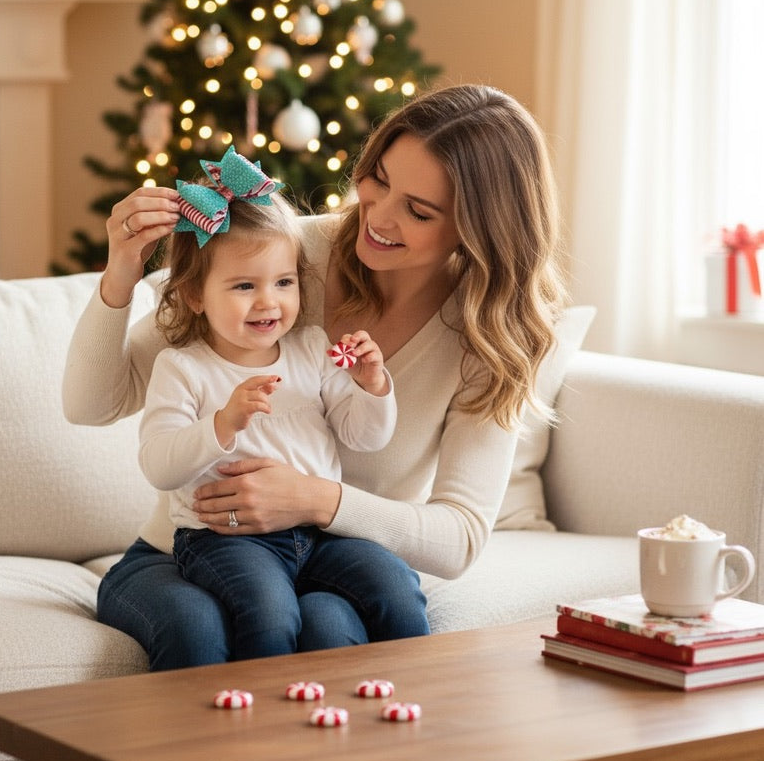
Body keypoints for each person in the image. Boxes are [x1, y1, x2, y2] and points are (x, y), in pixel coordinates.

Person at [63, 83, 567, 670]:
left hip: (329, 560)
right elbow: (93, 405)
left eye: (419, 211)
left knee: (331, 627)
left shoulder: (489, 336)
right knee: (200, 627)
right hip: (189, 554)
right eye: (379, 179)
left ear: (478, 229)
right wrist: (120, 273)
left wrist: (311, 499)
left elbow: (460, 537)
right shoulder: (282, 255)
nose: (378, 216)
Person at [138, 146, 429, 660]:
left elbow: (364, 437)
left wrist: (371, 385)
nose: (268, 301)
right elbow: (159, 466)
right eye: (244, 285)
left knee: (395, 586)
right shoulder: (183, 368)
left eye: (284, 282)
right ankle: (262, 708)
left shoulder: (313, 349)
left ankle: (415, 692)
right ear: (196, 295)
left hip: (321, 533)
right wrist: (223, 423)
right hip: (226, 539)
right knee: (269, 613)